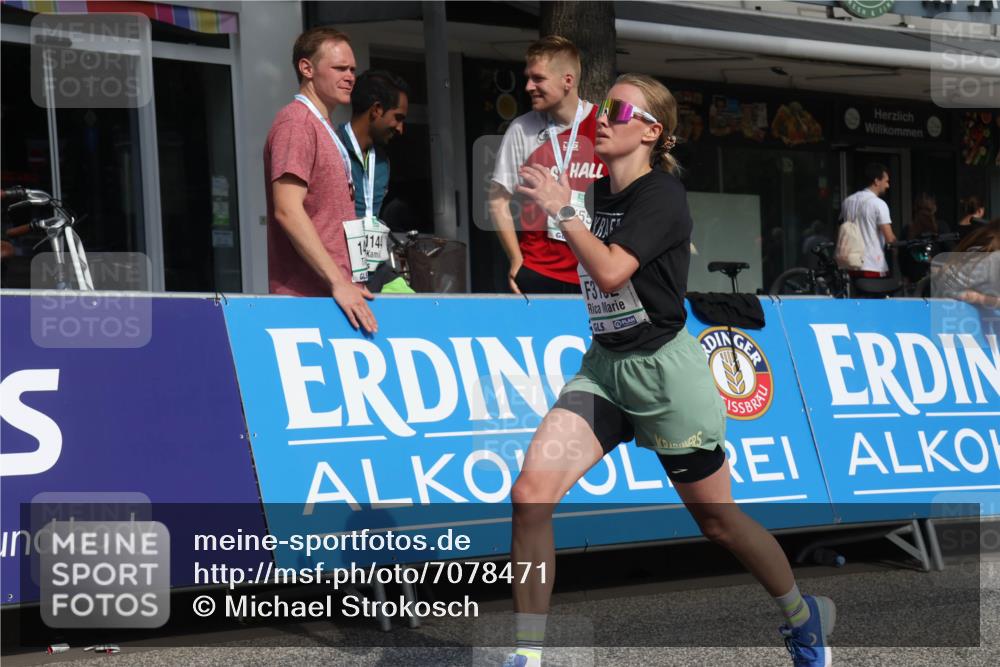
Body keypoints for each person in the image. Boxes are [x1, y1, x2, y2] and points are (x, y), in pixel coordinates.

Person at [503, 74, 835, 667]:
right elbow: (587, 270)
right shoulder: (599, 192)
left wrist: (565, 212)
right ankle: (526, 656)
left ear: (652, 131)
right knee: (530, 495)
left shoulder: (662, 196)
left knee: (719, 523)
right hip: (605, 369)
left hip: (664, 374)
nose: (601, 116)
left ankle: (801, 617)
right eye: (599, 107)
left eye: (616, 108)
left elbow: (609, 272)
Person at [263, 26, 377, 333]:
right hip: (310, 301)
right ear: (306, 68)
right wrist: (338, 282)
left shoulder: (323, 125)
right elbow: (287, 209)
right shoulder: (297, 123)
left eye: (353, 69)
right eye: (339, 68)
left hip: (339, 297)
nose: (350, 76)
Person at [489, 36, 606, 295]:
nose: (529, 86)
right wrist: (516, 259)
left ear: (568, 81)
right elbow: (498, 201)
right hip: (539, 270)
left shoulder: (604, 126)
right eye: (528, 78)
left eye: (538, 78)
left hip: (595, 271)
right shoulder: (522, 128)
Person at [335, 69, 413, 293]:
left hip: (374, 271)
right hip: (337, 277)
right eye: (397, 118)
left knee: (421, 312)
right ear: (376, 110)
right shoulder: (332, 149)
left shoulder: (382, 162)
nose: (400, 128)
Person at [840, 162, 896, 278]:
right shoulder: (878, 204)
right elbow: (890, 238)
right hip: (874, 265)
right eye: (886, 181)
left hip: (852, 264)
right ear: (876, 181)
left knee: (858, 296)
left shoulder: (848, 201)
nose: (887, 185)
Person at [935, 217, 999, 308]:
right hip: (953, 311)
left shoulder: (979, 253)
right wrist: (981, 298)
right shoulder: (991, 260)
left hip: (943, 308)